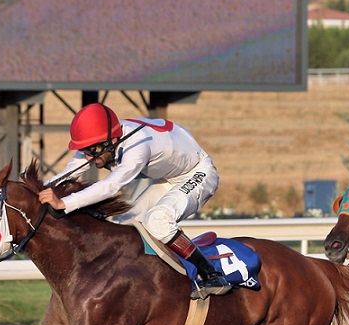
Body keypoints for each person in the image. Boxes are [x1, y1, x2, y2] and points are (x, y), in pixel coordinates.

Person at [39, 102, 231, 299]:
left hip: (199, 172)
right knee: (123, 224)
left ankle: (211, 274)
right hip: (168, 176)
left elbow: (111, 186)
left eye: (92, 150)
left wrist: (64, 203)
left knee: (158, 221)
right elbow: (66, 175)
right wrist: (33, 191)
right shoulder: (102, 140)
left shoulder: (137, 147)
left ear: (111, 141)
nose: (88, 156)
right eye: (85, 150)